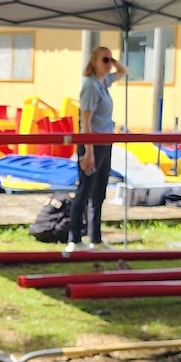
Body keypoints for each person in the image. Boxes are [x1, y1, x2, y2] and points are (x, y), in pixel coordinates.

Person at [69, 45, 125, 250]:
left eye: (111, 60)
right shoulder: (91, 86)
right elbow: (86, 122)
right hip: (92, 145)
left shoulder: (103, 83)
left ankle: (96, 238)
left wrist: (113, 60)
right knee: (84, 191)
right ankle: (74, 239)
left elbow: (124, 72)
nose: (109, 64)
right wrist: (89, 152)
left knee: (99, 191)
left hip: (105, 144)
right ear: (94, 62)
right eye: (105, 60)